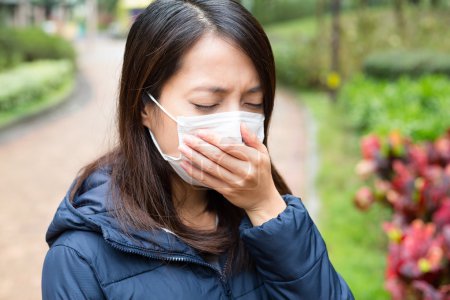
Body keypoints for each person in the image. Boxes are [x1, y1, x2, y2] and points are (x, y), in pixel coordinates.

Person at [41, 0, 355, 299]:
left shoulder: (267, 216)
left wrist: (266, 208)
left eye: (252, 103)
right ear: (144, 108)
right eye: (207, 104)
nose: (233, 127)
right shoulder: (79, 260)